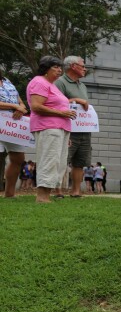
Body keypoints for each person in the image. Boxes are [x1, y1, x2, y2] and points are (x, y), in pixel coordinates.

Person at [26, 56, 76, 204]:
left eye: (60, 67)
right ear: (46, 68)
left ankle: (46, 195)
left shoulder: (52, 85)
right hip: (48, 127)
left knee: (58, 163)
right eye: (55, 67)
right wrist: (62, 113)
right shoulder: (39, 82)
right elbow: (36, 106)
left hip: (60, 129)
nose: (59, 70)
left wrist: (66, 132)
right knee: (49, 160)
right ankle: (42, 197)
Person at [54, 56, 91, 197]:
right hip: (67, 128)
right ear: (73, 66)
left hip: (84, 129)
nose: (85, 68)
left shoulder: (82, 85)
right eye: (82, 66)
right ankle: (58, 190)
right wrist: (75, 100)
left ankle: (76, 191)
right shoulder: (60, 82)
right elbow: (56, 103)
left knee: (80, 162)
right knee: (62, 159)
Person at [0, 67, 29, 198]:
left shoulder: (7, 81)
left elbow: (20, 101)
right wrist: (13, 106)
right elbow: (14, 104)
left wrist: (21, 108)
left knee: (18, 158)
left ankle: (9, 193)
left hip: (12, 124)